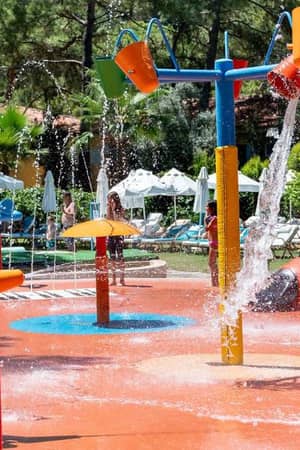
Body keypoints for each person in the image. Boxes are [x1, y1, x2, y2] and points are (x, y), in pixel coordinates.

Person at [106, 191, 126, 286]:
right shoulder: (108, 209)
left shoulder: (121, 209)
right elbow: (109, 220)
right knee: (112, 258)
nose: (109, 202)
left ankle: (122, 279)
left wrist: (114, 209)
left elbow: (118, 221)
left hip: (119, 235)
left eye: (110, 199)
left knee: (120, 257)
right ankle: (113, 279)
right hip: (111, 235)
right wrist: (110, 208)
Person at [204, 200, 218, 287]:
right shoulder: (209, 218)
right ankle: (214, 281)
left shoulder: (214, 218)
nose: (205, 208)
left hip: (214, 242)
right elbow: (207, 229)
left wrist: (212, 221)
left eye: (207, 206)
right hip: (212, 242)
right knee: (212, 263)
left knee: (211, 263)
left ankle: (215, 282)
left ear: (211, 208)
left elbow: (207, 228)